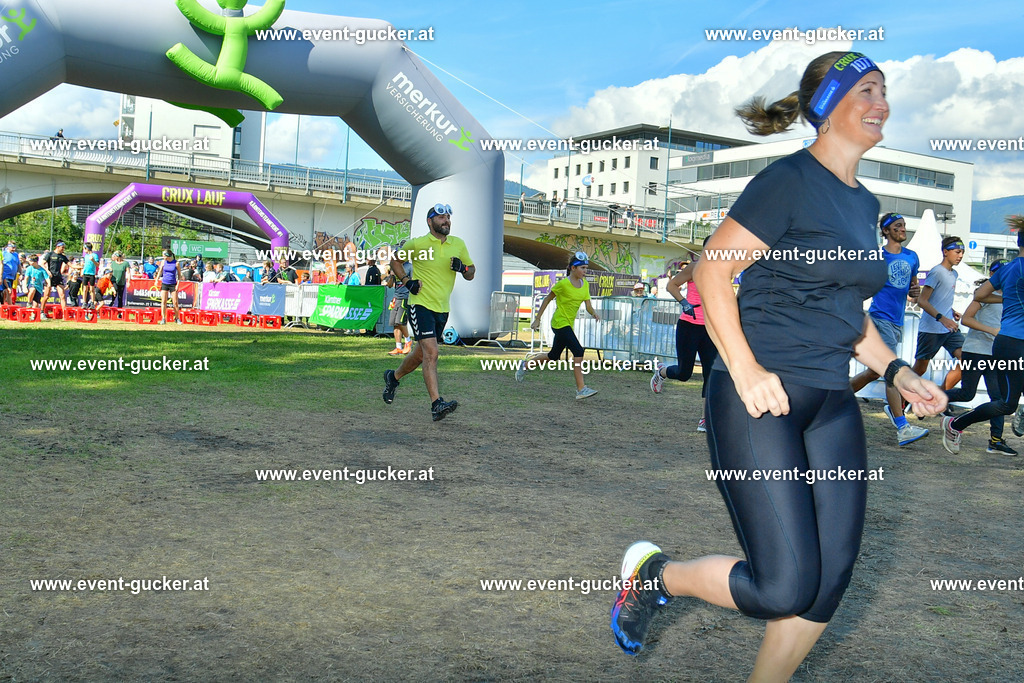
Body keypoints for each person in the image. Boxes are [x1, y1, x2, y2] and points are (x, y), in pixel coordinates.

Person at [609, 52, 946, 678]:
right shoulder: (788, 181)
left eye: (885, 91)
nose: (882, 104)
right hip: (759, 397)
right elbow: (713, 269)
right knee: (783, 587)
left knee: (829, 581)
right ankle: (655, 576)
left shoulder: (862, 202)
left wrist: (899, 373)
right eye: (867, 90)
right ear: (828, 105)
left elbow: (849, 313)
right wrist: (744, 370)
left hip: (830, 402)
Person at [382, 203, 474, 421]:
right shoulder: (418, 244)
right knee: (432, 353)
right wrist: (407, 281)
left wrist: (463, 268)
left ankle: (393, 377)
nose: (446, 220)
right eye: (441, 217)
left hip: (442, 309)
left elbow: (472, 273)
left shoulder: (458, 244)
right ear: (430, 221)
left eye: (448, 217)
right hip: (420, 304)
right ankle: (436, 404)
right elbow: (395, 261)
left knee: (422, 354)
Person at [849, 213, 929, 446]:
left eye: (904, 226)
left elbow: (913, 287)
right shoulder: (877, 256)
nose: (903, 229)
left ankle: (836, 399)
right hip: (879, 318)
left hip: (897, 321)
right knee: (893, 370)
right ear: (885, 231)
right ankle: (903, 427)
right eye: (897, 226)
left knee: (874, 373)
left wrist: (915, 292)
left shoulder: (912, 256)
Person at [944, 237, 1024, 453]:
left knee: (1004, 400)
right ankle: (955, 424)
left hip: (1005, 344)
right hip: (1011, 344)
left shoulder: (1009, 268)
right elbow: (977, 301)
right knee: (1004, 403)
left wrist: (1009, 298)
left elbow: (980, 294)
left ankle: (1000, 433)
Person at [651, 238, 719, 432]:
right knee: (684, 373)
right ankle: (662, 372)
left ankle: (705, 419)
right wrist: (684, 303)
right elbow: (671, 285)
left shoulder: (722, 271)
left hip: (709, 329)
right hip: (689, 326)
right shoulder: (694, 268)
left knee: (711, 374)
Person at [515, 251, 601, 399]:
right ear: (573, 268)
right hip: (559, 323)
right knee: (578, 351)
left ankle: (525, 365)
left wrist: (593, 313)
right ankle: (581, 389)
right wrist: (537, 319)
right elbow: (547, 299)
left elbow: (588, 306)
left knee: (553, 356)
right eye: (582, 268)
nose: (585, 271)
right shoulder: (563, 284)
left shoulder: (585, 285)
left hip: (568, 324)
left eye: (586, 268)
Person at [911, 237, 965, 383]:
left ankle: (942, 397)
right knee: (920, 369)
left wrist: (951, 311)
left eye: (962, 253)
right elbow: (922, 300)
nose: (960, 256)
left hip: (948, 329)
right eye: (958, 252)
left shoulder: (954, 274)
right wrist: (942, 318)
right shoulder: (937, 272)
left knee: (967, 361)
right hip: (931, 329)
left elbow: (940, 298)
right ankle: (897, 395)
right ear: (945, 252)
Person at [384, 249, 413, 355]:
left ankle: (408, 341)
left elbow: (414, 281)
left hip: (405, 297)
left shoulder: (409, 267)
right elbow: (390, 285)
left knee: (401, 321)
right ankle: (398, 347)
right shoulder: (395, 267)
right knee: (394, 323)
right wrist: (391, 275)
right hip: (396, 297)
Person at [41, 241, 70, 319]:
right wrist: (47, 271)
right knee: (46, 296)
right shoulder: (50, 254)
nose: (63, 249)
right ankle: (41, 312)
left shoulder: (62, 256)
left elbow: (70, 264)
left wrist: (82, 267)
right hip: (50, 277)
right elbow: (42, 263)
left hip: (58, 277)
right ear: (58, 247)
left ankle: (65, 314)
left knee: (62, 296)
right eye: (62, 247)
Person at [155, 249, 183, 325]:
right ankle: (163, 318)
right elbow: (160, 271)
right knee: (163, 301)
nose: (163, 257)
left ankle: (177, 318)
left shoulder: (176, 263)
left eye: (164, 256)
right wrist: (157, 280)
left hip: (173, 284)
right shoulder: (163, 262)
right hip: (164, 283)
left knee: (175, 302)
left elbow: (180, 275)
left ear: (168, 256)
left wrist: (178, 285)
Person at [81, 242, 99, 308]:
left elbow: (97, 264)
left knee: (92, 289)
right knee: (85, 289)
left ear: (87, 248)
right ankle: (84, 302)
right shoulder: (85, 256)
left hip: (91, 274)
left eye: (85, 248)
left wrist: (93, 260)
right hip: (85, 273)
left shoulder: (95, 255)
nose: (84, 250)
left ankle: (92, 302)